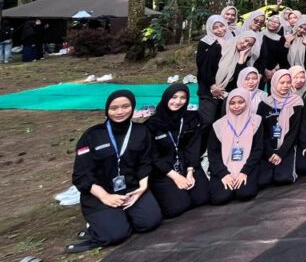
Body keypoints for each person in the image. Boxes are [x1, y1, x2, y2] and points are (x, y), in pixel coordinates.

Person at [67, 90, 162, 253]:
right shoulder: (92, 136)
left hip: (132, 188)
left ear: (133, 107)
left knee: (150, 222)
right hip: (101, 192)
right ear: (107, 110)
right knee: (116, 235)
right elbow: (81, 175)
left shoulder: (141, 131)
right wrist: (105, 196)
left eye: (125, 106)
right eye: (114, 108)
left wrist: (142, 188)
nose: (120, 112)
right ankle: (98, 224)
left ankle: (119, 217)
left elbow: (146, 162)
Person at [146, 85, 209, 218]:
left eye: (182, 98)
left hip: (187, 164)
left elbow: (193, 146)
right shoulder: (151, 125)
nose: (178, 101)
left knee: (202, 198)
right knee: (176, 208)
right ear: (166, 98)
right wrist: (175, 176)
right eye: (174, 97)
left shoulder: (192, 118)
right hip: (164, 170)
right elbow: (153, 156)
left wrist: (190, 171)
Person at [208, 89, 263, 205]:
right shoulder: (218, 125)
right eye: (232, 103)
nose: (236, 106)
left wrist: (244, 172)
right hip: (224, 166)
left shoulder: (256, 121)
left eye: (240, 102)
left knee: (244, 194)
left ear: (247, 102)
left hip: (247, 166)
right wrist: (223, 174)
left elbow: (258, 150)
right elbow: (213, 153)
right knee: (220, 197)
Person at [256, 69, 304, 187]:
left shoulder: (296, 102)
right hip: (268, 149)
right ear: (274, 83)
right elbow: (261, 132)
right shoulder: (264, 103)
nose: (285, 86)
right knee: (262, 181)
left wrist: (280, 153)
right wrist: (270, 153)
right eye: (282, 82)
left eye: (288, 82)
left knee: (283, 178)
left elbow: (294, 131)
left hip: (286, 148)